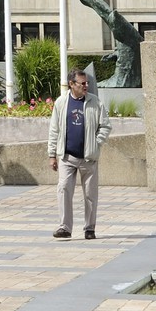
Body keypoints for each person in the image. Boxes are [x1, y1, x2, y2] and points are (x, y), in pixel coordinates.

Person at [48, 67, 111, 239]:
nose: (86, 86)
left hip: (88, 158)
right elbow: (54, 130)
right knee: (63, 190)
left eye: (87, 83)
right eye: (82, 83)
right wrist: (52, 155)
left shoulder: (95, 102)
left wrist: (96, 143)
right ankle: (64, 228)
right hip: (67, 157)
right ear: (71, 84)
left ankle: (89, 228)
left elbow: (105, 126)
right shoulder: (61, 103)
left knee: (90, 194)